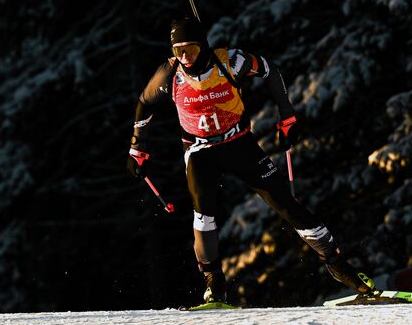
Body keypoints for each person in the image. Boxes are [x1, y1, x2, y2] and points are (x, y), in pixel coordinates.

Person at [127, 18, 375, 304]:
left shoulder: (230, 61)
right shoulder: (170, 74)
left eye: (191, 49)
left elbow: (270, 71)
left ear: (203, 45)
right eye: (178, 50)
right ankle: (213, 286)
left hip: (239, 143)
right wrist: (137, 147)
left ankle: (339, 266)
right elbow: (144, 103)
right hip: (199, 150)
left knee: (286, 203)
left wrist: (287, 115)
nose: (185, 57)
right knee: (203, 215)